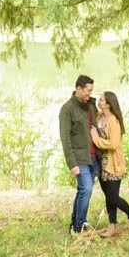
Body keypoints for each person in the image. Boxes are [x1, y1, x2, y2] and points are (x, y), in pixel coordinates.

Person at [91, 90, 129, 235]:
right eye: (100, 99)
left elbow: (114, 144)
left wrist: (96, 138)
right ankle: (112, 226)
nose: (99, 102)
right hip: (101, 163)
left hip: (112, 163)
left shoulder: (113, 121)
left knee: (113, 197)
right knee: (108, 196)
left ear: (109, 104)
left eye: (102, 100)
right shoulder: (99, 117)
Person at [58, 74, 97, 234]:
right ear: (78, 89)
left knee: (82, 190)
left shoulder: (91, 106)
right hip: (79, 158)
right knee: (86, 189)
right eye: (87, 90)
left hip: (93, 157)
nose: (90, 93)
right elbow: (65, 139)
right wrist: (72, 163)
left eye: (91, 90)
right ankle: (79, 227)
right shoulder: (67, 109)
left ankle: (76, 223)